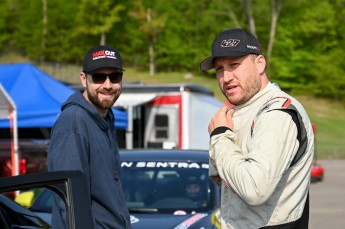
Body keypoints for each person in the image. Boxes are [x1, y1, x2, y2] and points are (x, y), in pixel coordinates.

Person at [200, 28, 314, 228]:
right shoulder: (239, 111)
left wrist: (219, 136)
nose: (226, 77)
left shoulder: (277, 113)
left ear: (259, 63)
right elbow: (221, 177)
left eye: (234, 65)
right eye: (219, 69)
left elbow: (254, 190)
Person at [48, 45, 132, 229]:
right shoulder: (74, 122)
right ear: (83, 79)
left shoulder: (105, 118)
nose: (108, 85)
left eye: (115, 77)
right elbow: (70, 201)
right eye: (99, 77)